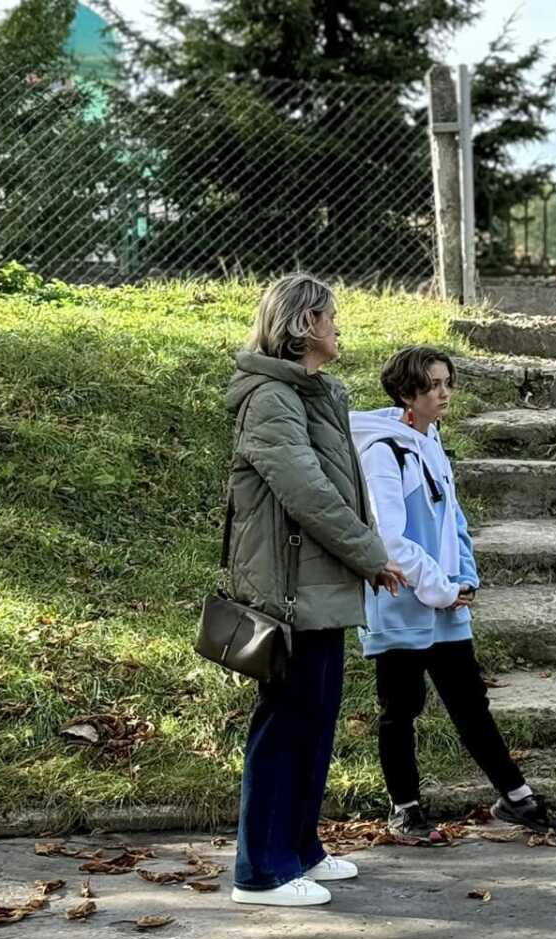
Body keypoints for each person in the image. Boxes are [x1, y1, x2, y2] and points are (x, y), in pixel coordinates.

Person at [225, 274, 408, 907]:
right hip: (289, 588)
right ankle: (260, 872)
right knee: (285, 725)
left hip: (317, 584)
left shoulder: (314, 392)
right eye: (329, 316)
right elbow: (308, 493)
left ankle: (300, 848)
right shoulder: (270, 398)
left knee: (315, 720)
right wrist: (370, 554)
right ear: (304, 325)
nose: (338, 325)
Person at [351, 346, 556, 844]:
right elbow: (390, 540)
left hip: (446, 602)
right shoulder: (383, 451)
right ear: (407, 393)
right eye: (433, 385)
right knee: (400, 709)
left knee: (470, 703)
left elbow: (454, 519)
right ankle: (405, 809)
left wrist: (465, 578)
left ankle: (515, 796)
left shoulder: (431, 440)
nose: (444, 393)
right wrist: (441, 588)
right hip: (402, 602)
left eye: (448, 382)